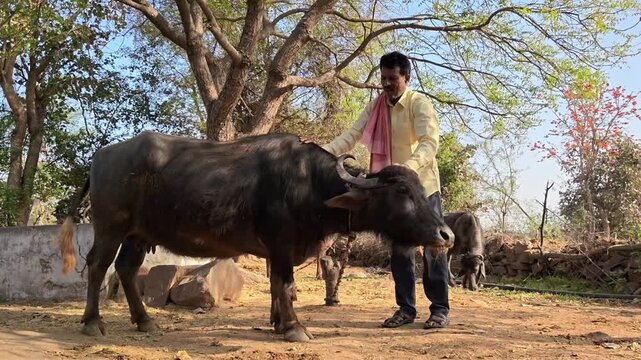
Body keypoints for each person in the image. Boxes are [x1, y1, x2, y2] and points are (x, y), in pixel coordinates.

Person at [320, 51, 450, 329]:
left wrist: (407, 168)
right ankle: (406, 309)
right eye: (383, 78)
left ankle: (439, 309)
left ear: (407, 78)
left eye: (393, 78)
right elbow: (351, 136)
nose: (387, 84)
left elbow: (430, 142)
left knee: (433, 248)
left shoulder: (419, 104)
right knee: (400, 251)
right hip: (392, 194)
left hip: (422, 187)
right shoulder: (376, 106)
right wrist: (319, 152)